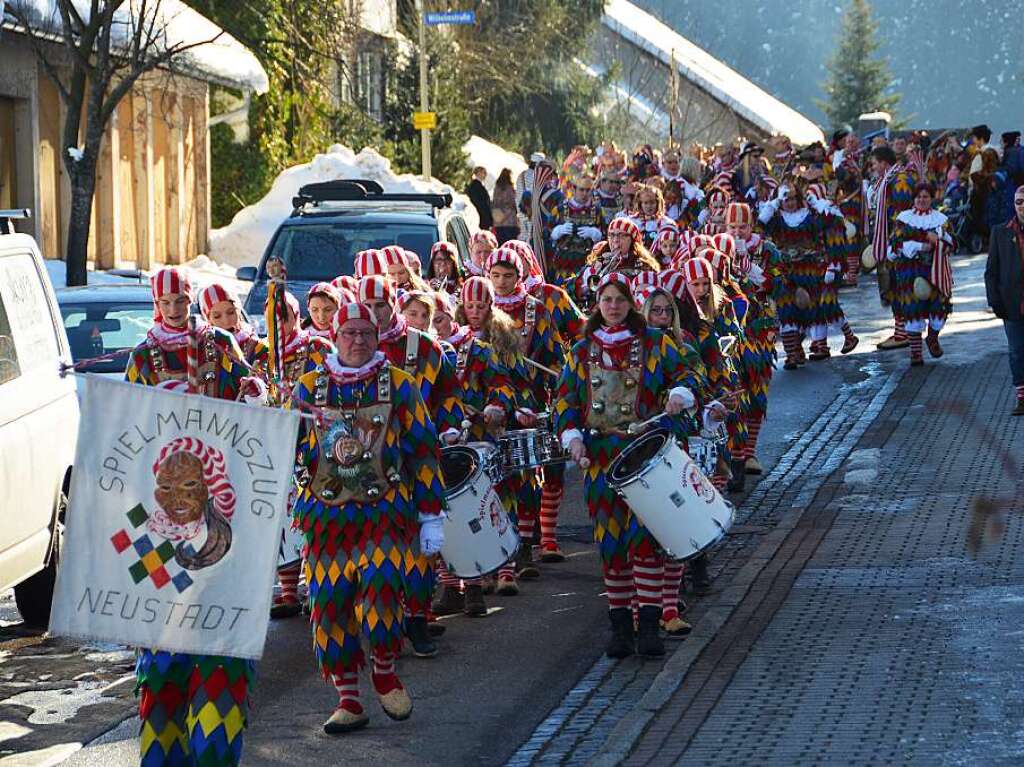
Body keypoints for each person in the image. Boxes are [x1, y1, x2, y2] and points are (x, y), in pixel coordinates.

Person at [290, 302, 445, 734]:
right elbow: (280, 448)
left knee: (380, 593)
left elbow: (423, 450)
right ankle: (349, 700)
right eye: (349, 333)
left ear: (377, 338)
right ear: (334, 337)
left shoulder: (400, 384)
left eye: (365, 333)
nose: (357, 341)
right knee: (330, 604)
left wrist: (431, 513)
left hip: (384, 513)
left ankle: (383, 669)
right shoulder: (306, 387)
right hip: (326, 517)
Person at [126, 268, 258, 766]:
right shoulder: (143, 357)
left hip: (227, 513)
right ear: (156, 305)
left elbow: (257, 388)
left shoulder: (219, 342)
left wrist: (252, 396)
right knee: (161, 671)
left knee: (221, 659)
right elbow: (130, 428)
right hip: (163, 534)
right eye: (167, 302)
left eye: (182, 299)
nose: (176, 308)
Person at [554, 273, 704, 659]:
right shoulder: (581, 350)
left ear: (631, 304)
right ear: (597, 304)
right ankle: (620, 626)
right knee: (612, 544)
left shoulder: (655, 342)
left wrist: (679, 392)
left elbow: (690, 373)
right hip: (600, 460)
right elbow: (564, 401)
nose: (614, 306)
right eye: (607, 299)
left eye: (620, 299)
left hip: (645, 456)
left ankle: (650, 625)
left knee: (646, 542)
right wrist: (570, 435)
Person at [357, 275, 462, 656]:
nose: (374, 314)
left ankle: (418, 620)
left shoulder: (426, 348)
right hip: (365, 468)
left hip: (416, 462)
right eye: (366, 306)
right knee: (371, 549)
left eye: (381, 306)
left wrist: (449, 427)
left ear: (394, 305)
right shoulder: (350, 348)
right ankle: (383, 624)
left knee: (419, 547)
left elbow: (449, 395)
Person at [429, 291, 515, 616]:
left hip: (473, 439)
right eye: (425, 318)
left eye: (438, 318)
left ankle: (476, 585)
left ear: (452, 317)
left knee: (472, 511)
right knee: (440, 514)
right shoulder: (421, 354)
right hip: (435, 440)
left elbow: (503, 384)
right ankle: (450, 585)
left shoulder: (477, 349)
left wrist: (495, 405)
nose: (432, 325)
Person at [888, 182, 954, 366]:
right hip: (910, 270)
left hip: (935, 269)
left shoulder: (941, 219)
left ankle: (932, 338)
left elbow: (951, 243)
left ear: (931, 199)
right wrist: (923, 242)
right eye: (918, 197)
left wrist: (939, 242)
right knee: (912, 309)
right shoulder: (903, 218)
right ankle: (915, 353)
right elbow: (896, 243)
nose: (921, 200)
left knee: (940, 305)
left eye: (925, 196)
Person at [869, 145, 920, 351]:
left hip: (900, 244)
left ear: (884, 163)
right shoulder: (889, 179)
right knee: (893, 286)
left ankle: (905, 334)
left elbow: (903, 216)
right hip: (892, 241)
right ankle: (902, 331)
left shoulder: (899, 180)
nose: (872, 168)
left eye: (874, 163)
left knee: (899, 286)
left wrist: (896, 243)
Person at [986, 185, 1024, 414]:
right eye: (1019, 202)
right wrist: (995, 301)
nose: (1022, 206)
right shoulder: (1001, 232)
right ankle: (1022, 397)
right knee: (1017, 350)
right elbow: (991, 272)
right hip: (1012, 304)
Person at [198, 282, 268, 369]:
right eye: (217, 316)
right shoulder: (204, 348)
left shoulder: (254, 343)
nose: (226, 321)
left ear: (238, 311)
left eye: (231, 312)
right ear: (208, 319)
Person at [492, 168, 520, 244]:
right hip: (510, 220)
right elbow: (514, 202)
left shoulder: (496, 188)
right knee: (510, 243)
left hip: (498, 219)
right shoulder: (510, 188)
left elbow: (494, 203)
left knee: (501, 243)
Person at [466, 166, 494, 230]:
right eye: (484, 172)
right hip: (480, 218)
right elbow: (480, 203)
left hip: (483, 218)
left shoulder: (479, 185)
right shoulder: (475, 186)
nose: (485, 175)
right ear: (478, 173)